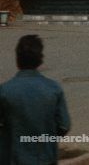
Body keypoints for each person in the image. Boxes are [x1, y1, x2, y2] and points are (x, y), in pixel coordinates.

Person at [0, 34, 71, 164]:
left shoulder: (4, 90)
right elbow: (64, 125)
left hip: (13, 158)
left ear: (17, 59)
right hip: (46, 158)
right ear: (40, 59)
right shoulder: (53, 88)